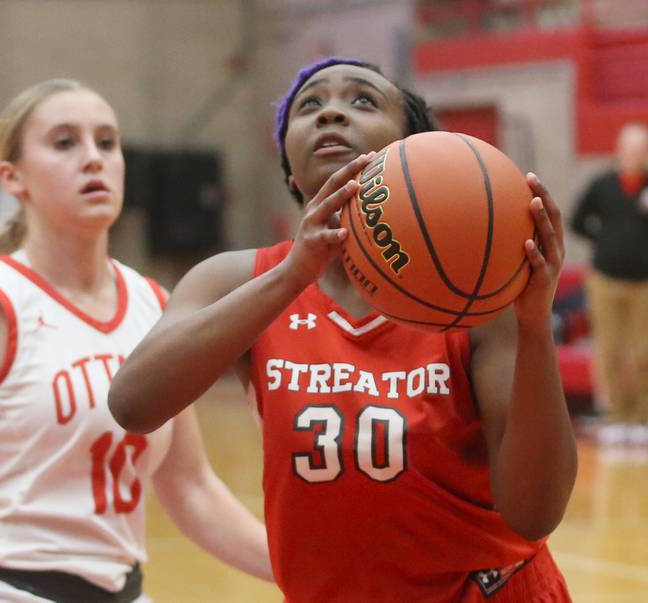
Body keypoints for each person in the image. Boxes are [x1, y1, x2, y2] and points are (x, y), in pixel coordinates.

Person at [109, 58, 577, 602]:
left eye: (362, 101)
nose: (331, 111)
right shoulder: (235, 279)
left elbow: (534, 512)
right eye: (310, 105)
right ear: (288, 169)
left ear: (412, 149)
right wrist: (293, 276)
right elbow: (133, 405)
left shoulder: (477, 291)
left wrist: (534, 323)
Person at [0, 79, 272, 603]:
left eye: (107, 142)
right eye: (65, 142)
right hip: (3, 587)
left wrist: (304, 566)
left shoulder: (155, 305)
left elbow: (191, 488)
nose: (93, 158)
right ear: (13, 177)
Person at [571, 122, 648, 446]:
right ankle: (617, 417)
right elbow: (577, 220)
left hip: (644, 283)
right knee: (610, 351)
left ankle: (641, 417)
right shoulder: (601, 185)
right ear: (620, 151)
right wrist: (603, 240)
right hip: (605, 279)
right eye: (631, 148)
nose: (636, 154)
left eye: (642, 149)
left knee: (643, 352)